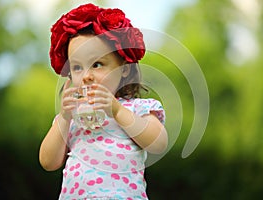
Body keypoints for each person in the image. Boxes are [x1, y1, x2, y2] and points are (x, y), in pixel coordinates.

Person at [39, 3, 168, 200]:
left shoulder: (137, 109)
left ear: (124, 68)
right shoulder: (71, 118)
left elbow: (158, 143)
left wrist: (116, 110)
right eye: (77, 67)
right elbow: (48, 161)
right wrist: (64, 117)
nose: (86, 76)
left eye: (97, 64)